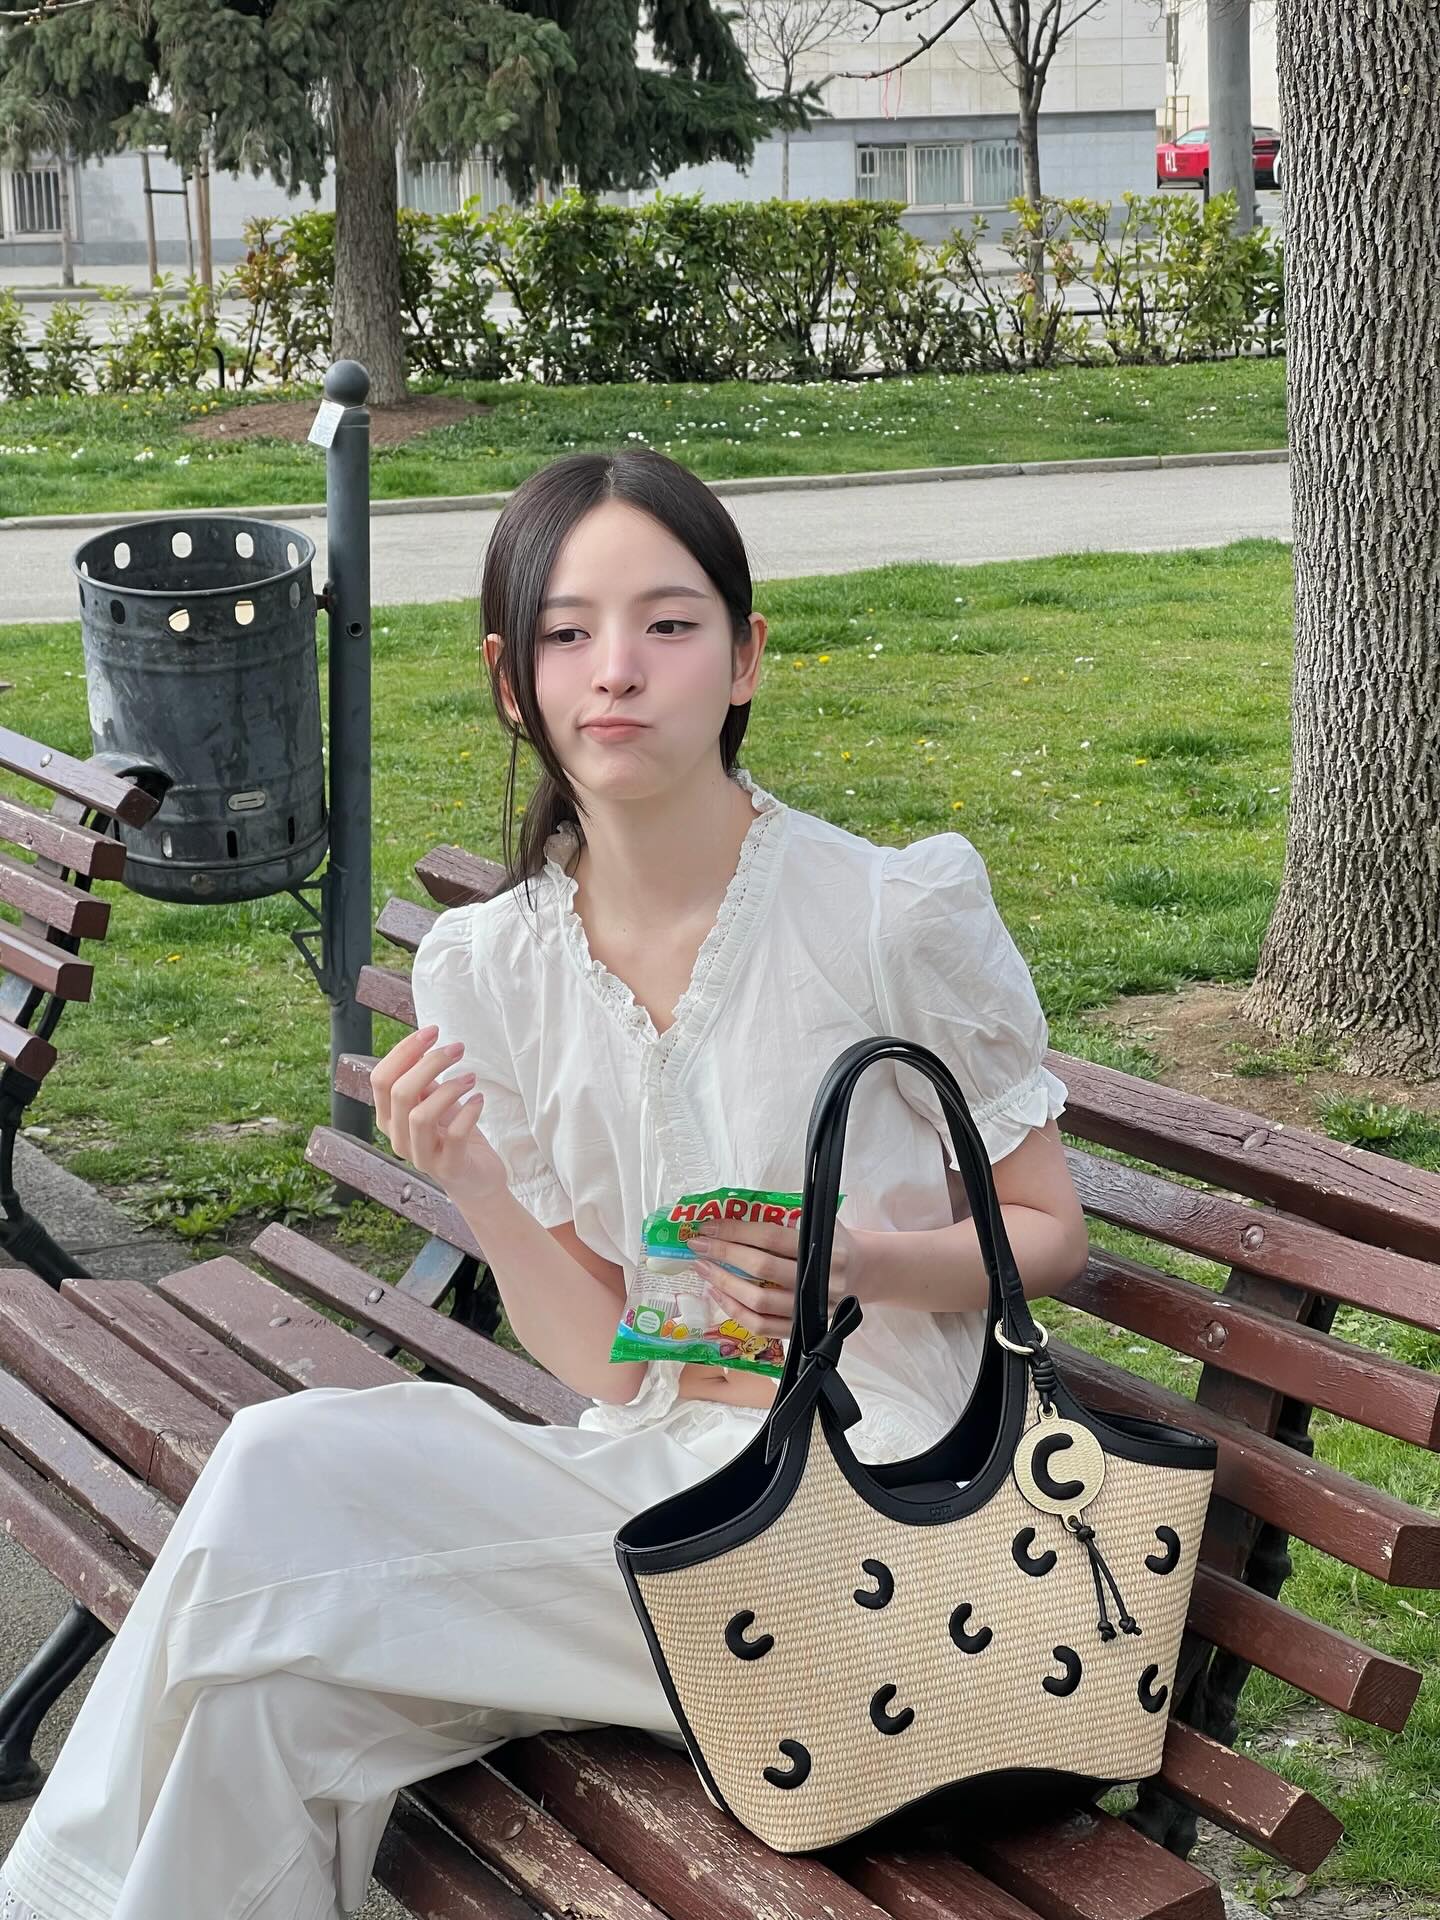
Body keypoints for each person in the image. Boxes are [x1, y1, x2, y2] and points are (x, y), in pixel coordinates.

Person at [0, 449, 1087, 1920]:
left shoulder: (889, 911)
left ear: (746, 658)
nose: (617, 669)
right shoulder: (496, 968)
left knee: (275, 1472)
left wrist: (858, 1267)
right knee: (266, 1709)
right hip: (650, 1485)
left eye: (669, 624)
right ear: (515, 682)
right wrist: (473, 1180)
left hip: (877, 1529)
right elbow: (612, 1365)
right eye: (569, 634)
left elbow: (1049, 1232)